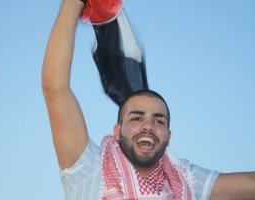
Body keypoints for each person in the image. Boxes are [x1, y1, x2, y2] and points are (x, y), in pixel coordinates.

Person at [42, 0, 255, 199]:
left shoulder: (185, 180)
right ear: (117, 131)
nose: (148, 126)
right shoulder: (89, 170)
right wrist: (73, 3)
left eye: (159, 121)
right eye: (136, 118)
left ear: (168, 136)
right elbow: (56, 88)